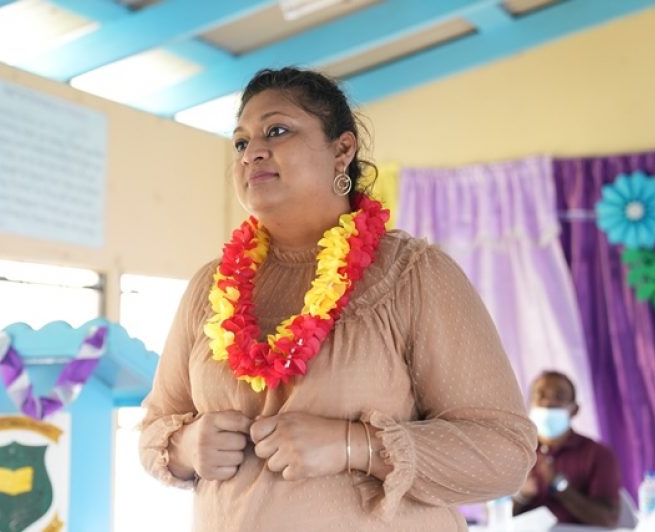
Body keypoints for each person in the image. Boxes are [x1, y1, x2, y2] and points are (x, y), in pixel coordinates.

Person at [138, 67, 536, 531]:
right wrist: (185, 447)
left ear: (342, 150)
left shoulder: (415, 275)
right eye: (241, 142)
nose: (252, 153)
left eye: (277, 130)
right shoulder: (208, 288)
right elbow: (153, 429)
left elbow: (505, 454)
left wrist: (355, 446)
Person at [513, 370, 621, 527]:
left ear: (574, 410)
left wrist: (560, 487)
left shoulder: (598, 454)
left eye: (559, 397)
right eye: (541, 396)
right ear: (528, 405)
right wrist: (522, 496)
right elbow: (495, 520)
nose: (548, 403)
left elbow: (608, 519)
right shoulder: (516, 451)